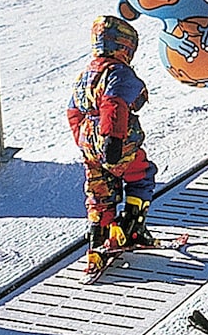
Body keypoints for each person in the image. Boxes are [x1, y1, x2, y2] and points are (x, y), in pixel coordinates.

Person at [67, 15, 158, 276]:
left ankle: (99, 236)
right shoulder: (118, 72)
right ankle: (132, 226)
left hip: (89, 141)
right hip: (116, 140)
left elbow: (73, 110)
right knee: (141, 174)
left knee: (99, 189)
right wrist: (112, 139)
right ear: (124, 47)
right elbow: (114, 103)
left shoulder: (86, 74)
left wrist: (83, 140)